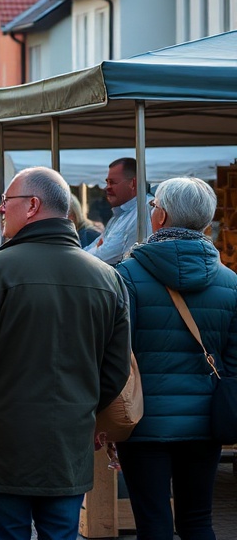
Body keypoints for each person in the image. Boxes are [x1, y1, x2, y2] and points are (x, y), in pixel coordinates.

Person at [0, 167, 131, 540]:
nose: (1, 209)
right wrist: (82, 410)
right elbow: (115, 370)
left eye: (7, 202)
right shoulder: (108, 279)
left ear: (33, 206)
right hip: (66, 448)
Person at [115, 177, 237, 539]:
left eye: (153, 206)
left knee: (153, 523)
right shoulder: (229, 282)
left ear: (162, 216)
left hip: (143, 423)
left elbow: (118, 353)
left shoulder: (128, 275)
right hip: (206, 422)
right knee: (198, 520)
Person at [85, 157, 144, 265]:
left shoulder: (141, 213)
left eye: (112, 182)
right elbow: (91, 251)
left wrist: (99, 248)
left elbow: (104, 258)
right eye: (107, 182)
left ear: (133, 183)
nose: (107, 188)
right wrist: (98, 248)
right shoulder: (119, 215)